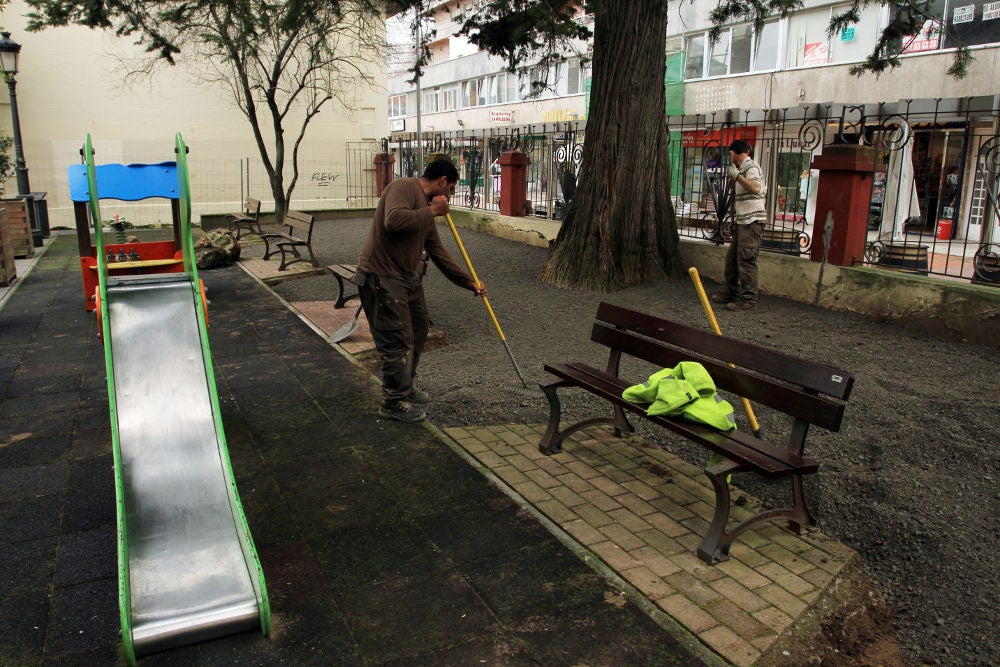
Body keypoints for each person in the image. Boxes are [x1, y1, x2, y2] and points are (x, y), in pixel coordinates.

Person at [354, 159, 486, 423]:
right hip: (382, 279)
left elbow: (437, 250)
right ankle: (393, 401)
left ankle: (406, 385)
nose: (449, 196)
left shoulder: (427, 208)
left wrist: (468, 281)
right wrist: (432, 211)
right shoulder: (403, 187)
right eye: (450, 190)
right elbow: (393, 220)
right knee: (396, 339)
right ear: (442, 182)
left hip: (407, 279)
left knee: (418, 328)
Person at [713, 140, 767, 310]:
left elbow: (756, 188)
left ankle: (749, 299)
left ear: (733, 153)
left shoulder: (751, 167)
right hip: (743, 222)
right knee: (732, 260)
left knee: (746, 260)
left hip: (752, 223)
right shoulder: (742, 169)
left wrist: (736, 176)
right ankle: (731, 291)